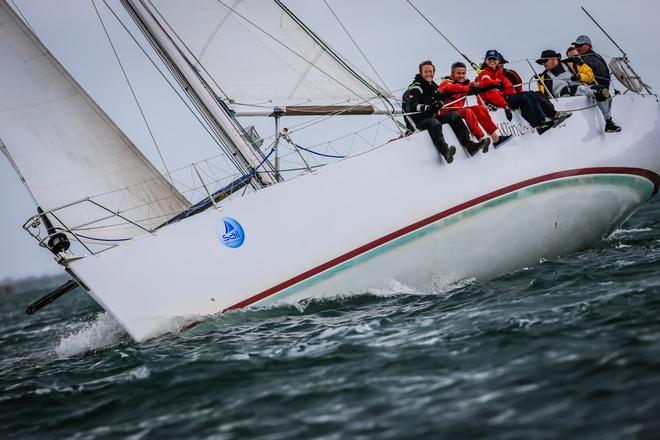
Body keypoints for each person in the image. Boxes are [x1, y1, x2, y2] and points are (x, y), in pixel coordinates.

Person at [402, 60, 489, 162]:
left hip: (430, 117)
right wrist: (426, 107)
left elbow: (442, 97)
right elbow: (410, 106)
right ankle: (445, 152)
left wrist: (440, 103)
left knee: (453, 115)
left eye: (431, 71)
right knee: (434, 122)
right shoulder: (416, 87)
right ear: (421, 73)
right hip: (416, 122)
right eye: (426, 72)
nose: (429, 74)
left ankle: (469, 145)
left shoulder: (433, 87)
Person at [477, 50, 569, 135]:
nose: (492, 61)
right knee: (523, 97)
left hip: (503, 97)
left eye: (494, 59)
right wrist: (505, 106)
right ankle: (538, 124)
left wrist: (515, 95)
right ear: (486, 61)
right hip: (494, 101)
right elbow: (491, 95)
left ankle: (549, 117)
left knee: (530, 94)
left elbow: (508, 88)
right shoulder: (485, 74)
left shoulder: (497, 73)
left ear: (498, 61)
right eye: (490, 59)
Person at [536, 49, 616, 133]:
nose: (543, 64)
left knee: (602, 90)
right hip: (564, 99)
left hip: (581, 91)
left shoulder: (572, 63)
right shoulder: (542, 79)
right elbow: (545, 97)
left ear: (553, 59)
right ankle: (594, 92)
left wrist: (580, 77)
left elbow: (590, 75)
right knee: (572, 89)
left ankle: (609, 122)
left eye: (545, 61)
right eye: (541, 62)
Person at [438, 62, 512, 148]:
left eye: (463, 73)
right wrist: (469, 89)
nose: (461, 75)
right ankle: (480, 139)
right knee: (467, 111)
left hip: (458, 111)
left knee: (479, 108)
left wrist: (497, 84)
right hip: (446, 113)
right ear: (452, 73)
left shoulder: (466, 83)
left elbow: (481, 84)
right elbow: (450, 88)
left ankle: (496, 139)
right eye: (458, 73)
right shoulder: (446, 82)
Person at [572, 35, 621, 132]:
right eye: (576, 46)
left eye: (580, 45)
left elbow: (590, 75)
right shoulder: (595, 56)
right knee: (602, 92)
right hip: (599, 89)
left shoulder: (587, 58)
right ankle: (609, 123)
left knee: (601, 92)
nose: (577, 48)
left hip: (597, 89)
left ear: (589, 45)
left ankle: (608, 123)